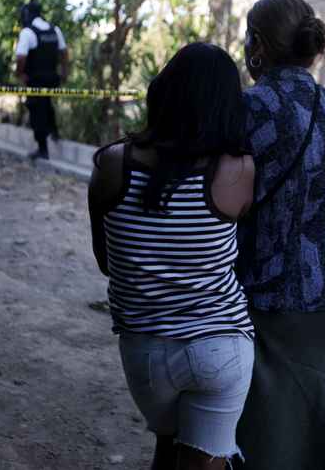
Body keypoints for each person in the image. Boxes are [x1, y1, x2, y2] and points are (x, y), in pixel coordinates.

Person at [88, 42, 256, 470]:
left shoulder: (112, 164)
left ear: (164, 90)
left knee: (168, 450)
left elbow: (107, 261)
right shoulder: (236, 170)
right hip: (220, 348)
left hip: (144, 354)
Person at [235, 0, 325, 470]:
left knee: (267, 443)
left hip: (265, 299)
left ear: (257, 46)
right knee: (322, 439)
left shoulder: (249, 109)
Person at [15, 1, 68, 160]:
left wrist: (20, 74)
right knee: (46, 104)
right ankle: (54, 131)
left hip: (36, 80)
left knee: (36, 111)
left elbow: (21, 57)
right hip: (52, 78)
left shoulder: (27, 32)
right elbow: (64, 53)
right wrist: (64, 73)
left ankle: (43, 149)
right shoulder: (54, 29)